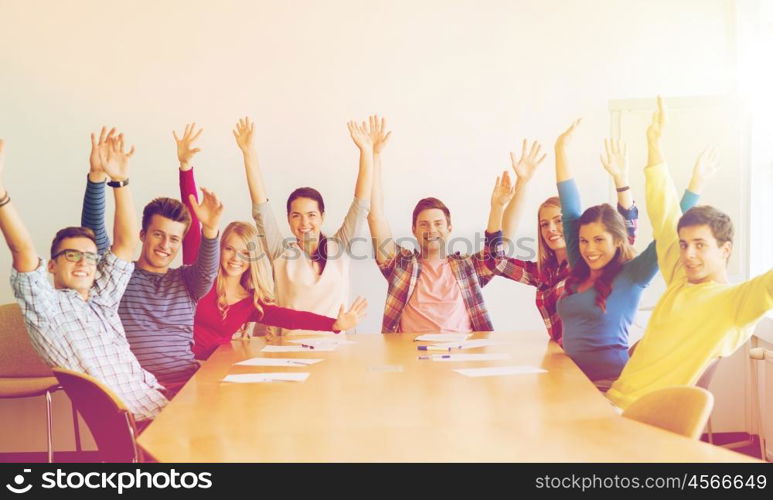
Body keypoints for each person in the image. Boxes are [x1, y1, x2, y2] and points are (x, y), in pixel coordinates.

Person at [606, 97, 773, 408]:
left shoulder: (735, 302)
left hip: (642, 417)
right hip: (613, 402)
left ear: (725, 250)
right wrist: (653, 143)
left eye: (700, 245)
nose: (688, 254)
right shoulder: (680, 278)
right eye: (684, 244)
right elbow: (664, 210)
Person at [2, 131, 167, 422]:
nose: (83, 262)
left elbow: (126, 244)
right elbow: (23, 249)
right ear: (51, 266)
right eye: (71, 255)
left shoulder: (101, 300)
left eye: (90, 257)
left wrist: (120, 181)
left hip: (161, 405)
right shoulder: (46, 310)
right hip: (141, 426)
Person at [553, 118, 700, 383]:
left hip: (609, 384)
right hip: (571, 380)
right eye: (584, 241)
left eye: (599, 240)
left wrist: (695, 185)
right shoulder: (580, 267)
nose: (589, 249)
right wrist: (560, 150)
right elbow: (570, 211)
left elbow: (671, 231)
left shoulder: (633, 275)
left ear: (618, 240)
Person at [82, 125, 224, 393]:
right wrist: (96, 177)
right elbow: (93, 234)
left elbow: (207, 270)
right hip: (137, 389)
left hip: (186, 386)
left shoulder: (188, 282)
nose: (165, 245)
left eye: (174, 239)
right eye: (158, 235)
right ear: (142, 235)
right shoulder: (119, 275)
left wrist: (211, 230)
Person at [488, 138, 639, 345]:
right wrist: (499, 205)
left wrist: (621, 181)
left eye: (558, 221)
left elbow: (627, 231)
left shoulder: (591, 263)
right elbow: (494, 261)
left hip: (592, 359)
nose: (551, 229)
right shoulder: (544, 273)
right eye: (544, 224)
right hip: (561, 358)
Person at [365, 116, 508, 333]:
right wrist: (374, 156)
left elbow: (496, 250)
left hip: (461, 357)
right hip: (412, 358)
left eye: (438, 223)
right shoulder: (401, 265)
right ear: (414, 230)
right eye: (424, 224)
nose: (431, 230)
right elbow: (376, 217)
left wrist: (497, 207)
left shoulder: (468, 267)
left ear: (449, 228)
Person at [236, 117, 372, 334]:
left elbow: (361, 204)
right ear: (288, 219)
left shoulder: (340, 247)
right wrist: (248, 152)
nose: (304, 223)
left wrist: (366, 152)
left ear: (322, 216)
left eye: (311, 215)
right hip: (290, 352)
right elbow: (261, 208)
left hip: (335, 350)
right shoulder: (281, 253)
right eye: (296, 216)